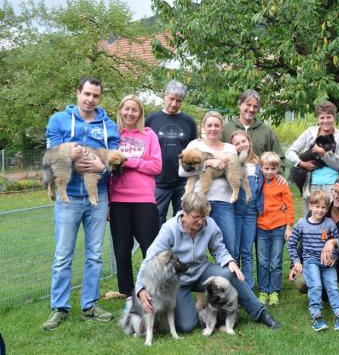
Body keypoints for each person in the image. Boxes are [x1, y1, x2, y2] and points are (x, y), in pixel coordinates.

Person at [135, 192, 281, 332]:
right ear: (184, 213)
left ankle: (261, 314)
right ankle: (206, 314)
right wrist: (140, 288)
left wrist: (229, 261)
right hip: (179, 281)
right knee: (186, 326)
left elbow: (219, 249)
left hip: (202, 272)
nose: (200, 221)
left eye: (204, 216)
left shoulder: (209, 224)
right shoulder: (169, 229)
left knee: (230, 273)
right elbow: (150, 259)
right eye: (196, 217)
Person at [42, 77, 120, 331]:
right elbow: (51, 154)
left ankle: (90, 305)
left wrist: (103, 167)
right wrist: (67, 151)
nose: (90, 99)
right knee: (63, 255)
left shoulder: (109, 126)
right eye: (86, 94)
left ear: (100, 98)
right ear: (77, 93)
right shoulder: (59, 120)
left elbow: (116, 161)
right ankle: (59, 308)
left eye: (95, 96)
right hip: (69, 199)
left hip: (97, 199)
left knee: (95, 255)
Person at [289, 174, 339, 316]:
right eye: (335, 191)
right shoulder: (321, 207)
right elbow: (304, 238)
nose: (337, 196)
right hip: (316, 261)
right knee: (301, 284)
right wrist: (295, 264)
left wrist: (334, 242)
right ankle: (325, 292)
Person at [108, 95, 162, 299]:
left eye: (134, 110)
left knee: (150, 249)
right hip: (118, 200)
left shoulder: (149, 136)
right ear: (121, 110)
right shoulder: (113, 136)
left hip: (144, 200)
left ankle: (153, 288)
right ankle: (127, 292)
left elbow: (156, 166)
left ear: (140, 113)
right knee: (121, 251)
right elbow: (107, 168)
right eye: (126, 109)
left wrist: (127, 161)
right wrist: (106, 203)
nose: (130, 113)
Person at [179, 111, 238, 258]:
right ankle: (192, 279)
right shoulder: (194, 145)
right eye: (209, 125)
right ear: (203, 127)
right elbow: (182, 172)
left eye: (216, 125)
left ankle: (228, 279)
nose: (213, 128)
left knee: (229, 246)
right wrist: (208, 163)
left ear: (221, 127)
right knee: (191, 246)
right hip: (197, 202)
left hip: (223, 202)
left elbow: (234, 172)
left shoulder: (230, 148)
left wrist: (223, 165)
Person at [288, 190, 339, 331]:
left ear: (327, 209)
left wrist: (335, 256)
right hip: (311, 261)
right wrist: (296, 261)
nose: (320, 210)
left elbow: (337, 243)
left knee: (333, 287)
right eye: (317, 207)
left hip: (327, 263)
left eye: (323, 207)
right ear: (311, 206)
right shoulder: (301, 224)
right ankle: (317, 316)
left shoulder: (330, 224)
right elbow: (291, 244)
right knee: (316, 286)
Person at [145, 80, 197, 226]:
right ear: (165, 96)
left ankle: (178, 248)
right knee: (156, 219)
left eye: (179, 101)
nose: (174, 103)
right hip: (158, 181)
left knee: (182, 220)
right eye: (172, 99)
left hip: (182, 181)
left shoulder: (189, 122)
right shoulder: (151, 120)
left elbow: (193, 149)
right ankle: (160, 249)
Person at [286, 101, 339, 208]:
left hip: (333, 186)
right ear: (317, 119)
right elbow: (289, 152)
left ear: (334, 118)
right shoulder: (310, 132)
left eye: (329, 117)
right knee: (312, 220)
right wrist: (302, 164)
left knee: (332, 221)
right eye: (322, 118)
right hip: (311, 185)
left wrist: (323, 154)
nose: (325, 121)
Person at [256, 152, 295, 305]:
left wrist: (288, 226)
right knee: (262, 261)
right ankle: (264, 290)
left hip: (278, 227)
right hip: (261, 227)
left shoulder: (282, 184)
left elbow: (290, 206)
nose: (270, 172)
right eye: (266, 168)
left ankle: (274, 291)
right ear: (261, 168)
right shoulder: (258, 181)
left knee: (276, 260)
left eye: (273, 168)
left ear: (278, 168)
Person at [230, 130, 260, 290]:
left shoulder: (258, 163)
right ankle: (235, 285)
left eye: (244, 141)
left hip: (251, 213)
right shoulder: (233, 163)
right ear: (233, 147)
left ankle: (248, 286)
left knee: (247, 250)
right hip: (235, 211)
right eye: (237, 143)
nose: (241, 145)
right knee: (234, 250)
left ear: (249, 142)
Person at [221, 89, 285, 161]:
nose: (251, 109)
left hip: (259, 172)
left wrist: (277, 172)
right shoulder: (226, 129)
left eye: (255, 106)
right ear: (240, 105)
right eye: (248, 105)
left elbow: (280, 158)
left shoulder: (266, 131)